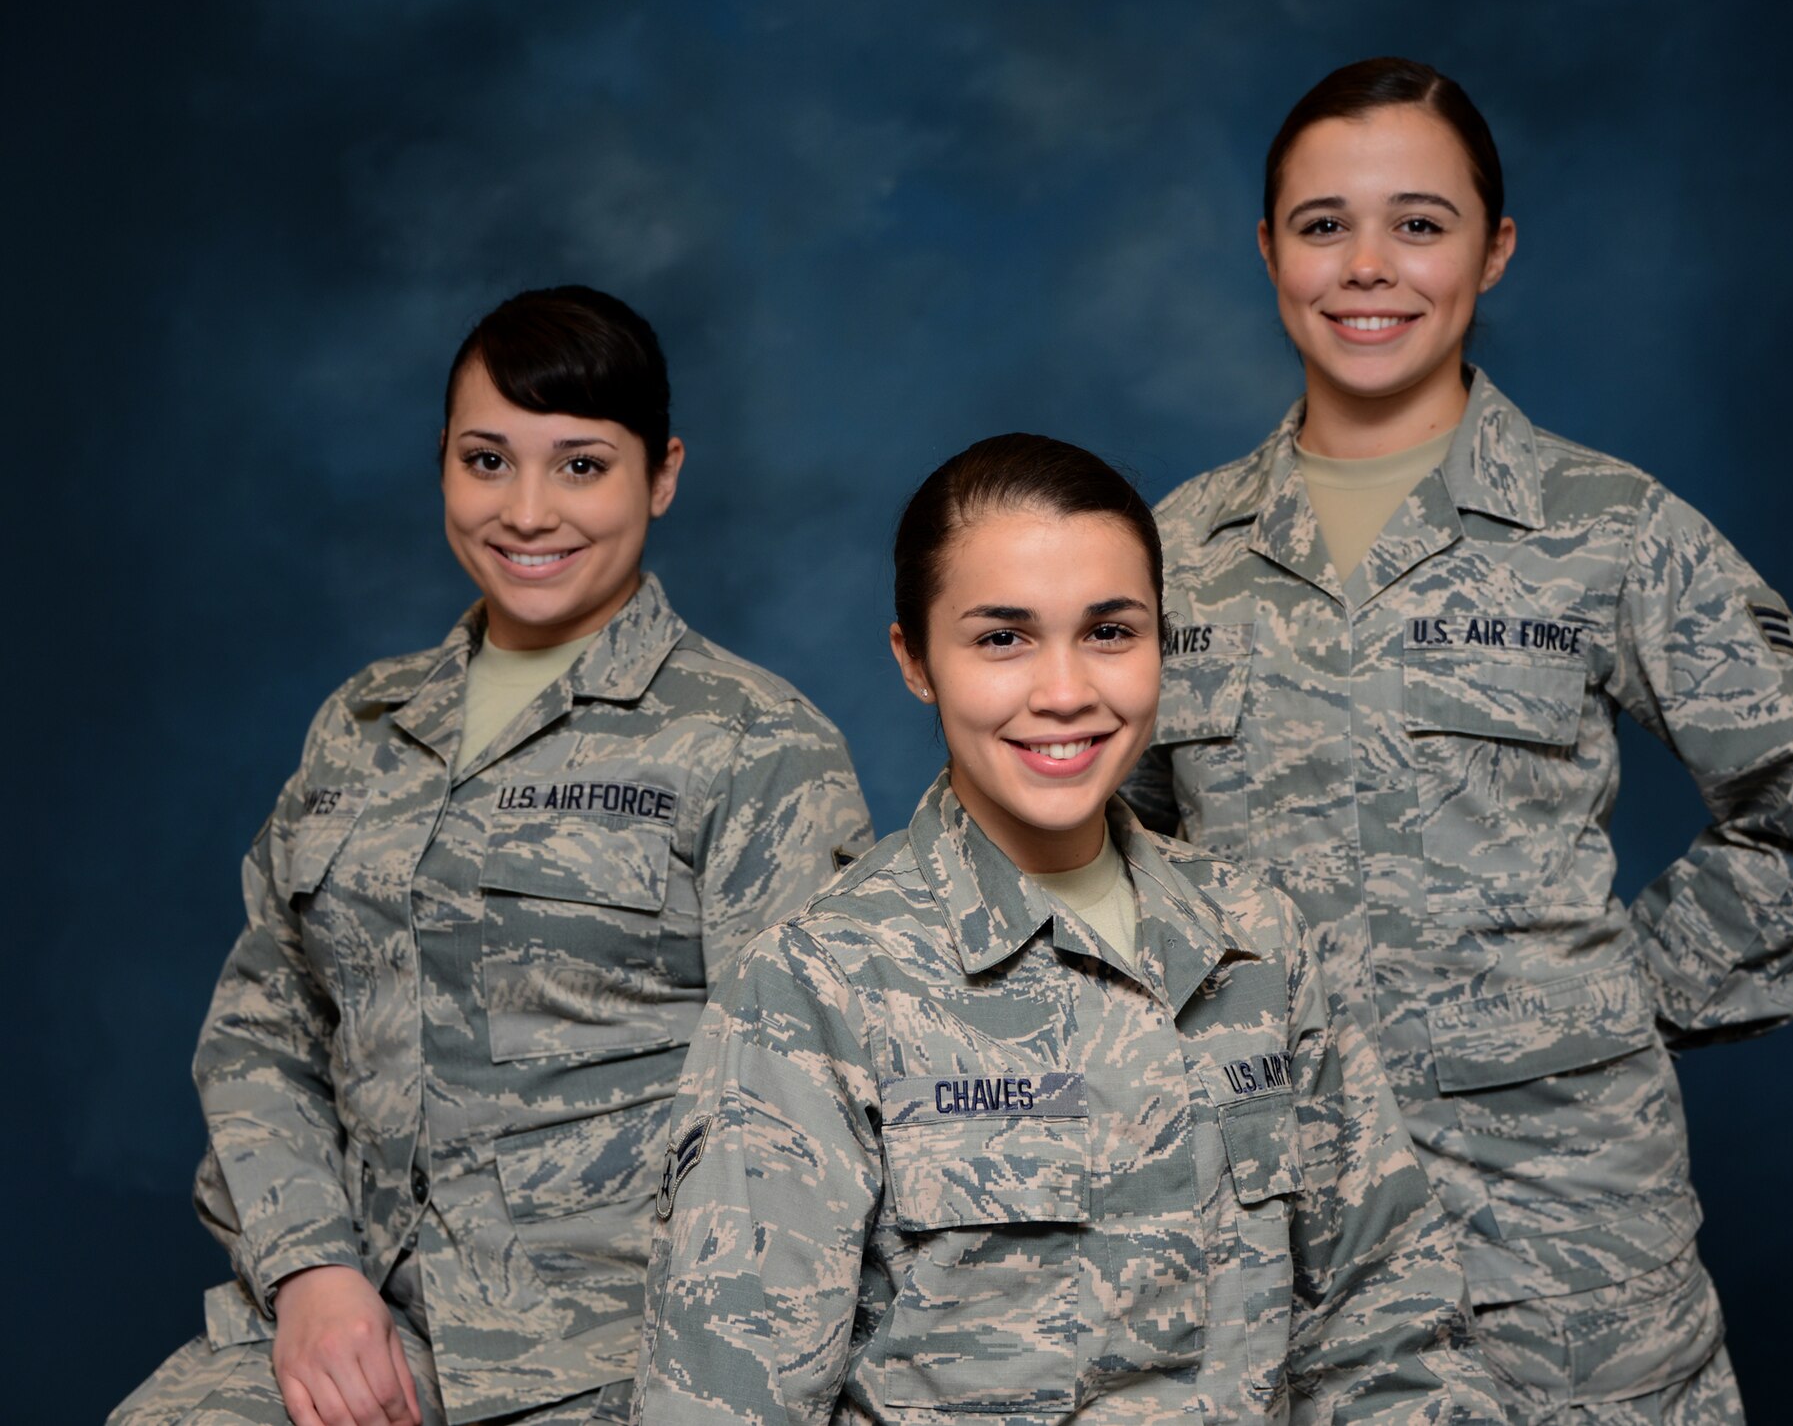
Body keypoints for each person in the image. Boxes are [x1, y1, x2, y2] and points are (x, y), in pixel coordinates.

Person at [1122, 58, 1793, 1423]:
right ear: (1266, 251)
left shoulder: (1608, 527)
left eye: (1420, 224)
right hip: (1273, 1233)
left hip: (1562, 1247)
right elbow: (1104, 859)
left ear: (1495, 248)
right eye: (1324, 226)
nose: (1369, 266)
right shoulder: (1175, 551)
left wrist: (1611, 1001)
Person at [111, 286, 874, 1426]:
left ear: (660, 476)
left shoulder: (758, 746)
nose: (526, 510)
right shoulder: (362, 727)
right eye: (487, 460)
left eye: (580, 465)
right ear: (441, 466)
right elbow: (263, 1027)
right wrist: (310, 1272)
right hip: (356, 1327)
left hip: (620, 1356)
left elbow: (807, 1122)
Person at [634, 434, 1504, 1425]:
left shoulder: (1258, 939)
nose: (1063, 691)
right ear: (913, 659)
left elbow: (1387, 1329)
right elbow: (722, 1403)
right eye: (1001, 638)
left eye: (1109, 632)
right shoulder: (819, 984)